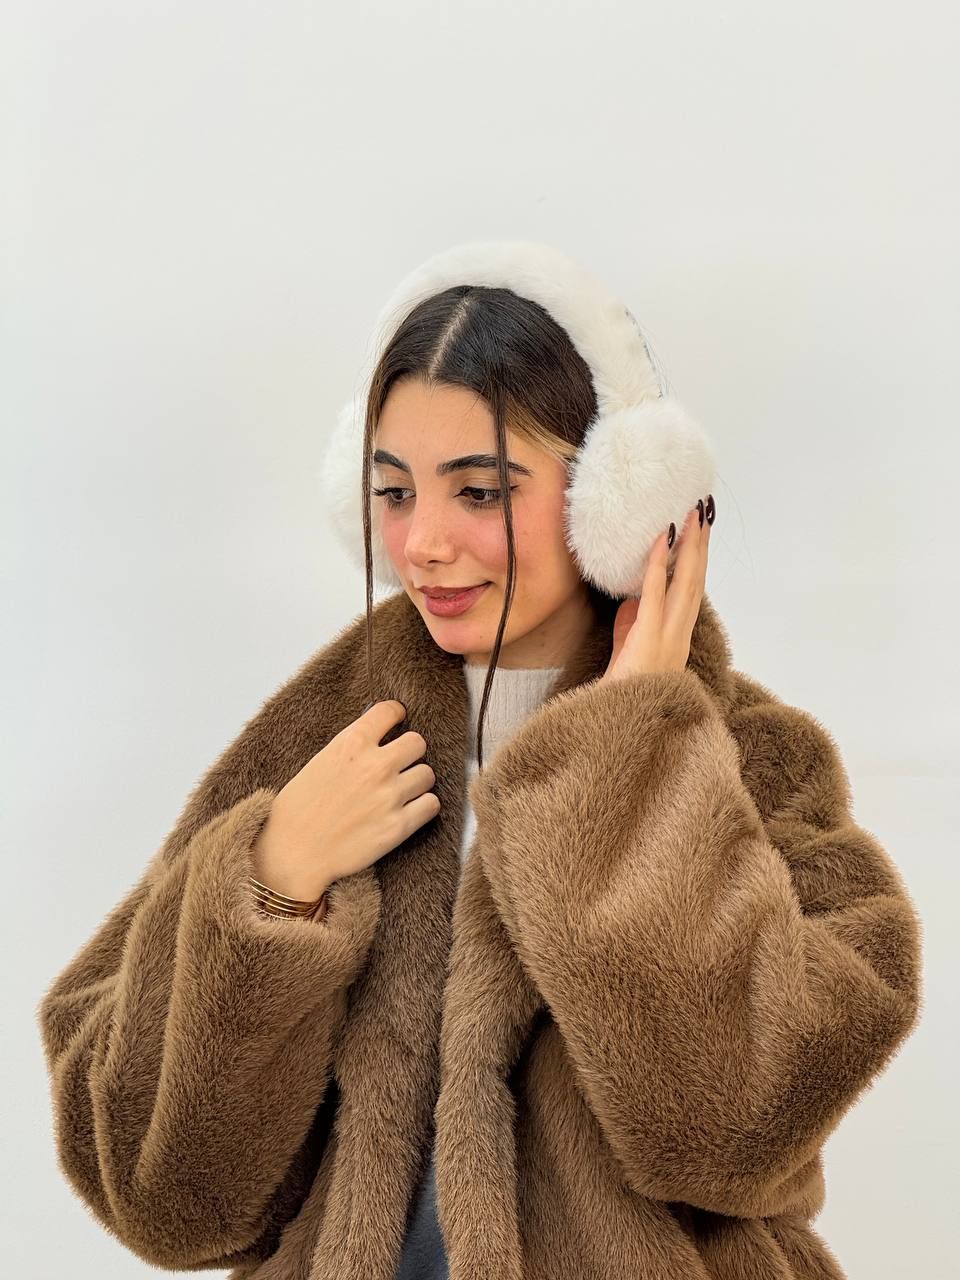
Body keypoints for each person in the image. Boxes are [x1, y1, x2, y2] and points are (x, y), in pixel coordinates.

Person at [37, 243, 923, 1280]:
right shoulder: (324, 738)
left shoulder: (748, 757)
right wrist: (274, 883)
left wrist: (631, 761)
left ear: (612, 498)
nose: (421, 542)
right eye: (393, 491)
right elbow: (166, 1200)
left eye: (481, 490)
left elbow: (736, 1131)